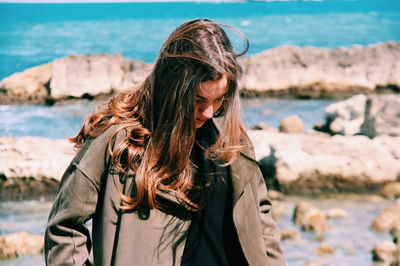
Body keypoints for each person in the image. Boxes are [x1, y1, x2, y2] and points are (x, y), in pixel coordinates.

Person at [44, 18, 285, 266]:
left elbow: (261, 217)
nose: (209, 112)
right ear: (173, 88)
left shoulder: (231, 137)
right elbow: (65, 227)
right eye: (198, 100)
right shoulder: (117, 138)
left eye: (219, 100)